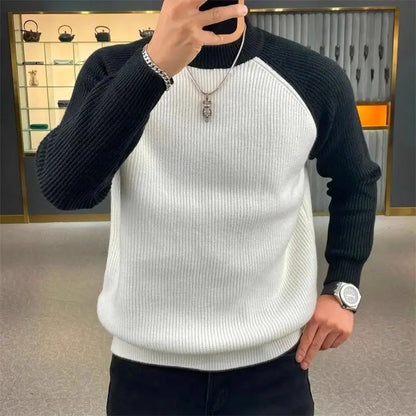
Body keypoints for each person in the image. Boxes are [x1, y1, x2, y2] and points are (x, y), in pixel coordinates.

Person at [35, 0, 382, 414]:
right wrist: (153, 66)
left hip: (272, 364)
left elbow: (355, 180)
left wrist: (343, 288)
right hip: (146, 365)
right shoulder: (112, 70)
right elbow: (66, 189)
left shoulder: (312, 76)